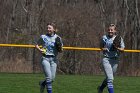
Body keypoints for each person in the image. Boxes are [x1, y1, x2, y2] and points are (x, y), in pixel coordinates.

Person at [35, 22, 63, 93]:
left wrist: (59, 47)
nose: (48, 29)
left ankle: (42, 83)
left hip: (54, 60)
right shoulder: (43, 37)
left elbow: (61, 51)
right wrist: (40, 49)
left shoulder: (58, 38)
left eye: (50, 28)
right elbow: (36, 44)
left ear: (54, 29)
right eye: (47, 28)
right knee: (48, 78)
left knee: (52, 79)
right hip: (45, 59)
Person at [98, 24, 125, 93]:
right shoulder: (104, 37)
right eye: (109, 30)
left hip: (115, 60)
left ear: (115, 31)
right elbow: (101, 46)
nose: (110, 31)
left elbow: (122, 49)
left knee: (108, 78)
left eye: (111, 30)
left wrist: (117, 48)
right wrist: (103, 48)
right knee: (110, 79)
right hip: (106, 59)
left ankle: (100, 88)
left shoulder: (119, 38)